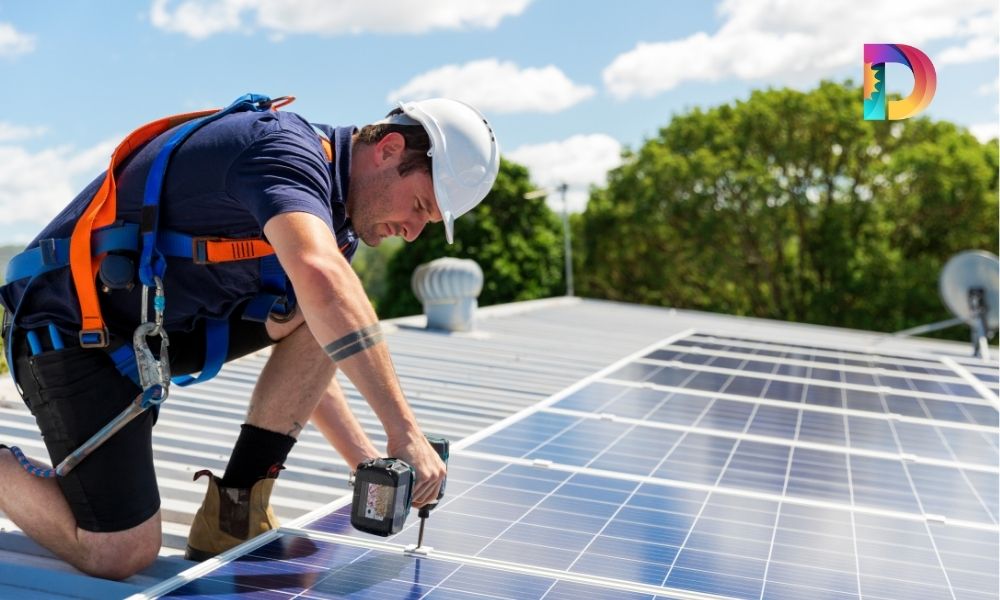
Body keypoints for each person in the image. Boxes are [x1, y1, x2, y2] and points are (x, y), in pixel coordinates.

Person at [0, 95, 499, 579]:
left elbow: (323, 336)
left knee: (318, 309)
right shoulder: (281, 150)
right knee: (119, 553)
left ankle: (232, 513)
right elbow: (326, 285)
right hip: (67, 332)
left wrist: (366, 461)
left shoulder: (333, 224)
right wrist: (405, 431)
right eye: (418, 205)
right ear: (388, 149)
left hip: (143, 339)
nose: (412, 232)